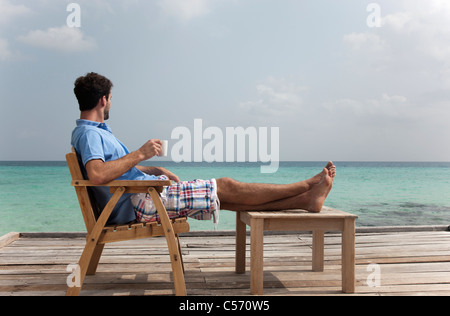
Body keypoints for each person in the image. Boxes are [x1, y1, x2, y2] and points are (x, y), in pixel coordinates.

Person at [71, 72, 336, 227]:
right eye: (110, 100)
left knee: (227, 198)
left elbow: (114, 171)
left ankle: (306, 200)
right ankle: (304, 186)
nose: (110, 104)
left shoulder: (95, 133)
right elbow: (97, 175)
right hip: (138, 203)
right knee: (226, 186)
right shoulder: (90, 134)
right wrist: (141, 153)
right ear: (103, 99)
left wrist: (153, 168)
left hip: (141, 195)